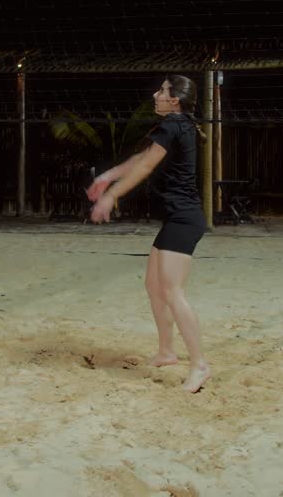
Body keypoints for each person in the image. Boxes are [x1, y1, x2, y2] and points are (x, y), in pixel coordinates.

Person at [88, 76, 211, 393]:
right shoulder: (176, 125)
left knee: (172, 291)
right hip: (176, 219)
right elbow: (139, 159)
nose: (156, 94)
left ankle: (199, 365)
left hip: (183, 220)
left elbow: (145, 169)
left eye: (163, 91)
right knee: (154, 286)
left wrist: (111, 196)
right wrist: (107, 177)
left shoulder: (174, 125)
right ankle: (166, 352)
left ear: (175, 100)